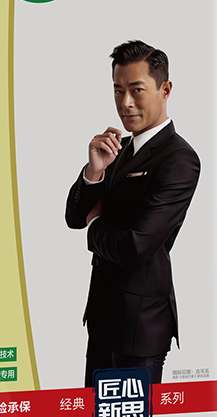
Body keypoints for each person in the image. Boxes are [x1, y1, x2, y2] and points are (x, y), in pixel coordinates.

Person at [65, 40, 200, 387]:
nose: (125, 102)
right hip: (102, 319)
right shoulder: (118, 148)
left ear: (165, 90)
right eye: (118, 90)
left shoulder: (179, 159)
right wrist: (93, 172)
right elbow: (73, 217)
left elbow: (134, 247)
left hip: (140, 327)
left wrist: (96, 223)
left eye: (136, 90)